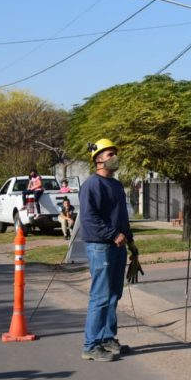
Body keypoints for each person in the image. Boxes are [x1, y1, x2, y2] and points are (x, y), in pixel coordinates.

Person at [79, 138, 136, 362]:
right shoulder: (92, 185)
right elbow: (89, 219)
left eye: (114, 153)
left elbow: (122, 218)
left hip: (118, 247)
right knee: (100, 296)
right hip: (101, 247)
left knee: (114, 294)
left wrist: (131, 242)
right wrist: (113, 235)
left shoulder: (116, 184)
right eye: (110, 154)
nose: (115, 158)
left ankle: (107, 338)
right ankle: (90, 345)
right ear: (98, 159)